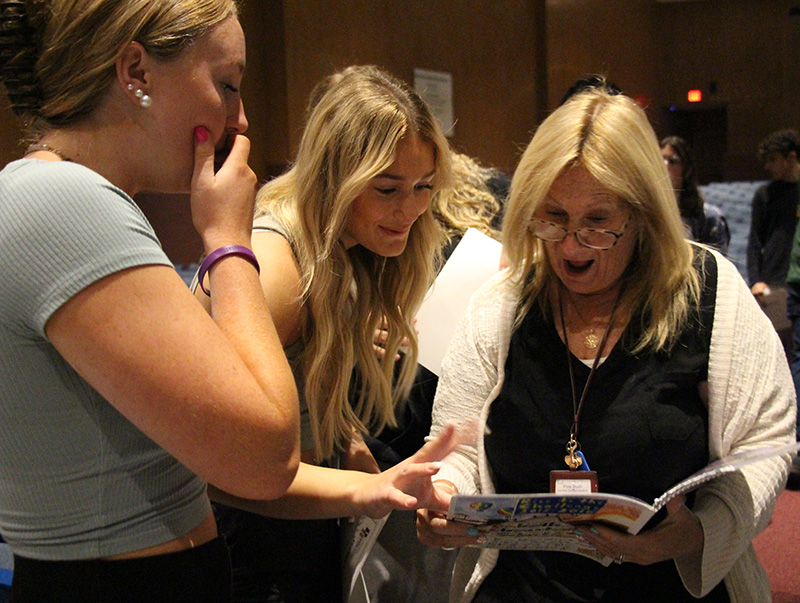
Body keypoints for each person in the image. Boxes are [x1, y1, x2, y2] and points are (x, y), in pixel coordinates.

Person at [416, 87, 795, 602]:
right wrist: (446, 496)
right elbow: (458, 447)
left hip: (666, 588)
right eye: (552, 217)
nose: (570, 246)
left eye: (597, 223)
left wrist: (699, 531)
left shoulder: (712, 292)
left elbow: (764, 445)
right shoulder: (500, 306)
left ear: (642, 214)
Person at [0, 1, 303, 600]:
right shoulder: (64, 202)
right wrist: (227, 241)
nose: (239, 120)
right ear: (136, 70)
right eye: (227, 85)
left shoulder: (52, 196)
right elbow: (266, 457)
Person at [192, 64, 458, 602]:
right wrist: (365, 488)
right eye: (387, 189)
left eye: (423, 187)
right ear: (336, 180)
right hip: (247, 541)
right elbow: (214, 461)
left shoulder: (343, 252)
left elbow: (303, 395)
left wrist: (349, 446)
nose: (409, 210)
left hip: (293, 521)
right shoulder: (280, 270)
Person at [747, 129, 800, 300]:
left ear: (791, 157)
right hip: (773, 282)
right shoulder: (765, 194)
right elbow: (755, 242)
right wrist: (755, 280)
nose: (767, 166)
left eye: (773, 159)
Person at [660, 135, 730, 253]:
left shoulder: (709, 218)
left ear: (687, 170)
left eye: (672, 161)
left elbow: (717, 265)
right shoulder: (648, 213)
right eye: (660, 159)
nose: (664, 165)